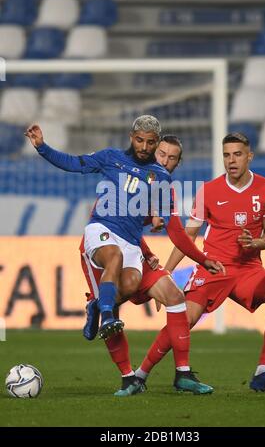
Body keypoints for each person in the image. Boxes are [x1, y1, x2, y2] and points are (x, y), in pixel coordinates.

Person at [135, 132, 265, 393]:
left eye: (237, 154)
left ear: (249, 156)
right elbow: (188, 237)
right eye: (227, 155)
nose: (231, 160)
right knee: (184, 319)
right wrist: (166, 272)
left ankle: (263, 373)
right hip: (213, 268)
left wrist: (256, 244)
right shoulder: (208, 190)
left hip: (248, 270)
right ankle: (140, 375)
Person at [80, 135, 225, 395]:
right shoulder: (128, 177)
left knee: (174, 295)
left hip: (135, 250)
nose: (165, 161)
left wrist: (152, 253)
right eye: (161, 154)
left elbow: (174, 232)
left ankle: (183, 374)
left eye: (171, 158)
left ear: (177, 163)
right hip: (104, 243)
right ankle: (128, 377)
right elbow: (114, 223)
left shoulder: (163, 188)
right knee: (110, 307)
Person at [25, 115, 173, 343]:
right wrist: (42, 147)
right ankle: (106, 316)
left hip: (131, 240)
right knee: (114, 257)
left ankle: (95, 305)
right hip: (102, 227)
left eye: (150, 142)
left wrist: (159, 219)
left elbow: (164, 209)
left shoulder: (161, 175)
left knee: (131, 285)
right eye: (140, 140)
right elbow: (74, 163)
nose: (144, 147)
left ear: (157, 142)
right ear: (131, 137)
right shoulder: (110, 157)